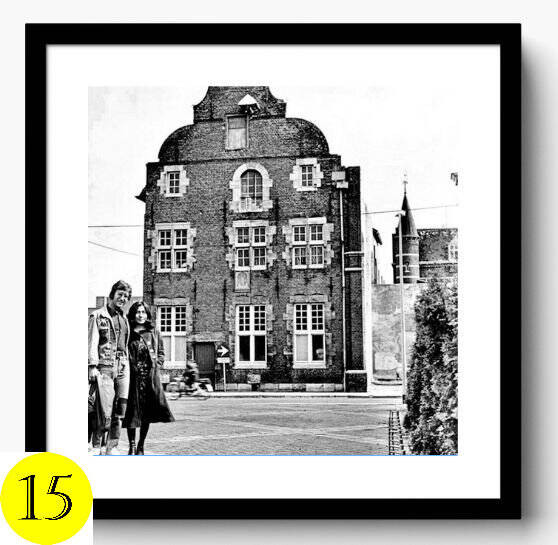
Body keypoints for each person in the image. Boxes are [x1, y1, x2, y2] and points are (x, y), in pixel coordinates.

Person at [123, 301, 174, 455]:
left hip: (149, 378)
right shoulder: (128, 331)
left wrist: (157, 364)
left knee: (146, 413)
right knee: (132, 412)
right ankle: (132, 445)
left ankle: (141, 445)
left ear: (147, 314)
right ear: (133, 314)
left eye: (143, 312)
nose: (141, 315)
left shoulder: (154, 332)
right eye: (138, 312)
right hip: (133, 378)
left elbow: (161, 352)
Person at [88, 280, 132, 455]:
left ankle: (112, 446)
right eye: (120, 294)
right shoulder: (97, 316)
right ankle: (97, 445)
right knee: (104, 410)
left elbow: (125, 345)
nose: (123, 298)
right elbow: (92, 342)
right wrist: (92, 366)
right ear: (112, 295)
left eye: (126, 296)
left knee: (120, 408)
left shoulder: (124, 318)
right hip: (105, 366)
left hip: (123, 366)